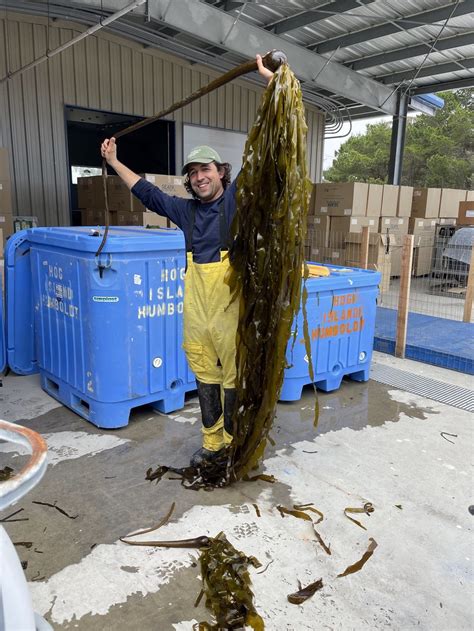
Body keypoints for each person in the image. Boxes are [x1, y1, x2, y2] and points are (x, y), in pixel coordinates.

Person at [101, 54, 274, 468]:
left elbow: (262, 151)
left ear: (221, 172)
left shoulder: (238, 199)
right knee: (202, 368)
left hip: (230, 303)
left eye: (206, 170)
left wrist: (271, 87)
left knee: (233, 373)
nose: (199, 177)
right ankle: (212, 442)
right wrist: (113, 162)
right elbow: (147, 193)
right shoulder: (186, 212)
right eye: (193, 172)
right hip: (197, 304)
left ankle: (235, 442)